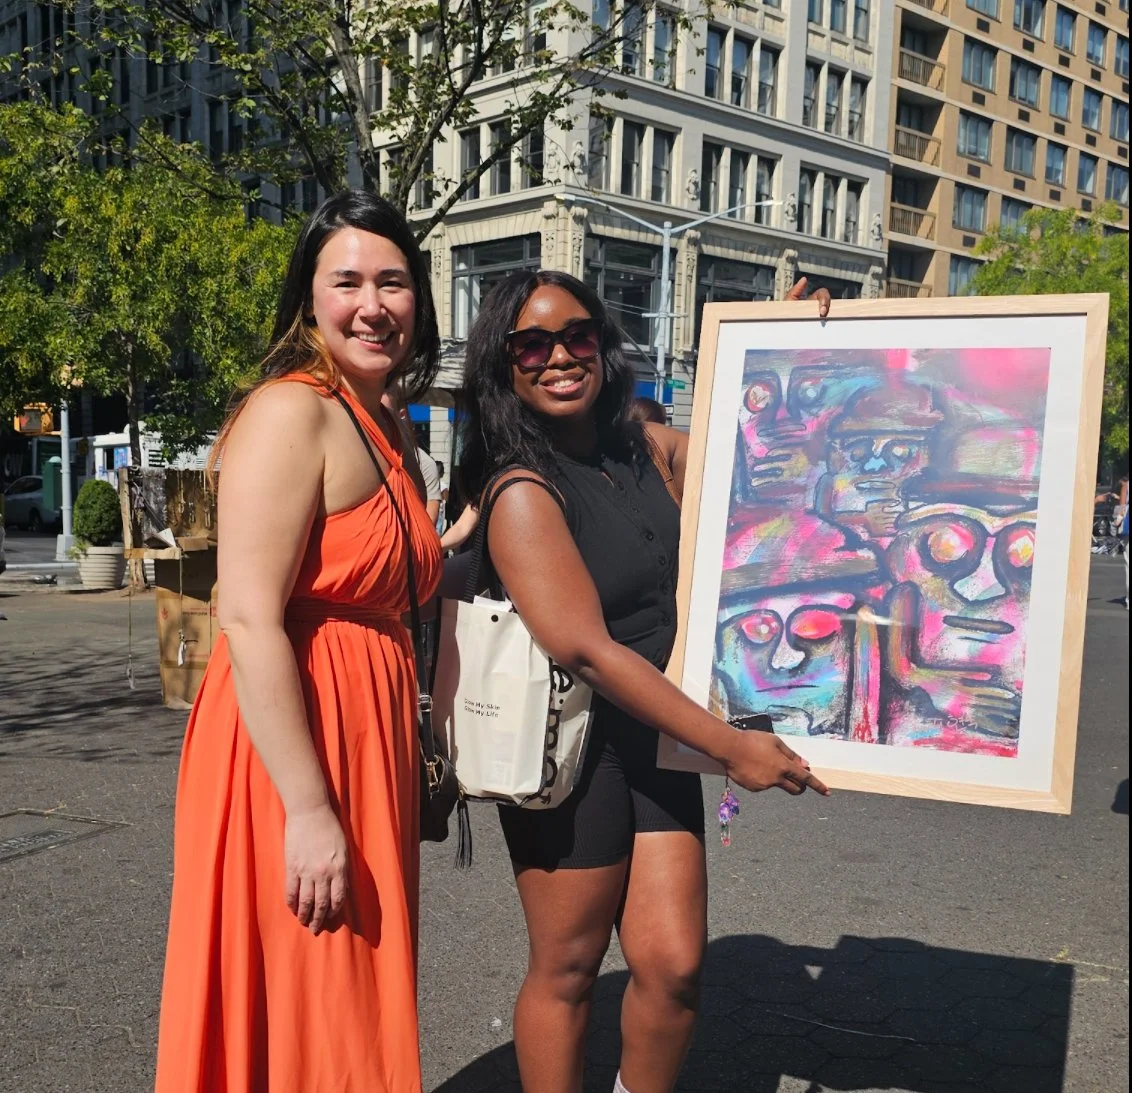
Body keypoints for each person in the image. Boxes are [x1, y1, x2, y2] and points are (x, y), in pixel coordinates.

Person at [456, 269, 830, 1093]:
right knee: (570, 966)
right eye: (533, 344)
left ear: (603, 343)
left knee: (673, 965)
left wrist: (784, 356)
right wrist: (732, 748)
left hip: (659, 730)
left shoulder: (642, 444)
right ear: (504, 363)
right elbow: (586, 650)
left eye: (577, 335)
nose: (559, 356)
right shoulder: (521, 488)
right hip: (572, 744)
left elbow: (755, 457)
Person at [154, 190, 442, 1093]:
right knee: (309, 989)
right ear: (309, 298)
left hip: (360, 737)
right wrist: (310, 808)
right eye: (347, 280)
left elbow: (377, 575)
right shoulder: (295, 409)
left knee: (343, 992)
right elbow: (244, 612)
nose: (373, 304)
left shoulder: (381, 418)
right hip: (295, 751)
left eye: (392, 282)